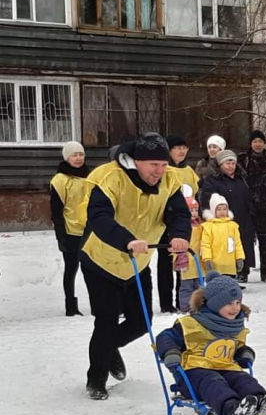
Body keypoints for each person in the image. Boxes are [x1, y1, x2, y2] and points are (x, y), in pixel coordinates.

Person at [80, 133, 190, 400]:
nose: (160, 171)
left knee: (141, 322)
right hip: (101, 260)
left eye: (163, 165)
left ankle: (109, 348)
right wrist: (126, 240)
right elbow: (99, 218)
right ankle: (96, 379)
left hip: (138, 263)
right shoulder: (109, 177)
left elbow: (179, 213)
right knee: (106, 321)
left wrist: (179, 234)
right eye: (154, 165)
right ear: (136, 161)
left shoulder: (171, 179)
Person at [156, 272, 266, 415]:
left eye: (237, 302)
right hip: (194, 373)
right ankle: (232, 409)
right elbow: (165, 337)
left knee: (242, 379)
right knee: (214, 382)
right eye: (228, 303)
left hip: (225, 367)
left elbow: (237, 346)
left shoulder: (234, 326)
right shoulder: (191, 324)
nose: (235, 308)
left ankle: (261, 402)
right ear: (214, 304)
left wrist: (244, 352)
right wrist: (170, 352)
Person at [155, 135, 199, 313]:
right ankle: (166, 303)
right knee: (166, 262)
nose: (181, 151)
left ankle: (183, 300)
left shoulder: (189, 171)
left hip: (185, 221)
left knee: (185, 261)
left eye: (184, 148)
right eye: (177, 148)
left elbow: (195, 193)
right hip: (165, 221)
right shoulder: (163, 171)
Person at [200, 150, 256, 284]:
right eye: (227, 163)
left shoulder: (241, 178)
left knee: (241, 245)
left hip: (242, 217)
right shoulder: (212, 181)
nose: (231, 166)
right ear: (220, 164)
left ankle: (242, 271)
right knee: (224, 248)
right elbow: (207, 200)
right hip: (221, 221)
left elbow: (248, 196)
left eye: (233, 162)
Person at [50, 141, 91, 316]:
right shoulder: (60, 181)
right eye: (74, 155)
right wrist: (61, 236)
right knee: (71, 268)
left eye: (80, 154)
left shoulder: (90, 177)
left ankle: (98, 304)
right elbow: (56, 211)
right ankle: (71, 306)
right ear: (67, 157)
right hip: (70, 231)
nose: (78, 158)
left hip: (90, 230)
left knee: (92, 270)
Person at [237, 130, 266, 284]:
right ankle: (243, 271)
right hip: (246, 207)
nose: (258, 144)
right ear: (251, 143)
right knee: (244, 240)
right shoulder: (242, 160)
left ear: (264, 143)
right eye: (255, 141)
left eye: (260, 141)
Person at [201, 193, 245, 280]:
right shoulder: (208, 226)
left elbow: (237, 243)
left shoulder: (233, 226)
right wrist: (207, 259)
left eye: (224, 209)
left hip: (229, 265)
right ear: (214, 210)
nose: (222, 212)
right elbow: (205, 244)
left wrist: (239, 258)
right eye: (219, 209)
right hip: (215, 264)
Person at [178, 197, 203, 313]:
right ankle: (186, 307)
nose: (193, 213)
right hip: (186, 261)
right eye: (191, 210)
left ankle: (198, 305)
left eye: (195, 210)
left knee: (199, 286)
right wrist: (178, 256)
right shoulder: (182, 227)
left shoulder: (201, 226)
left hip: (199, 261)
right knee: (186, 286)